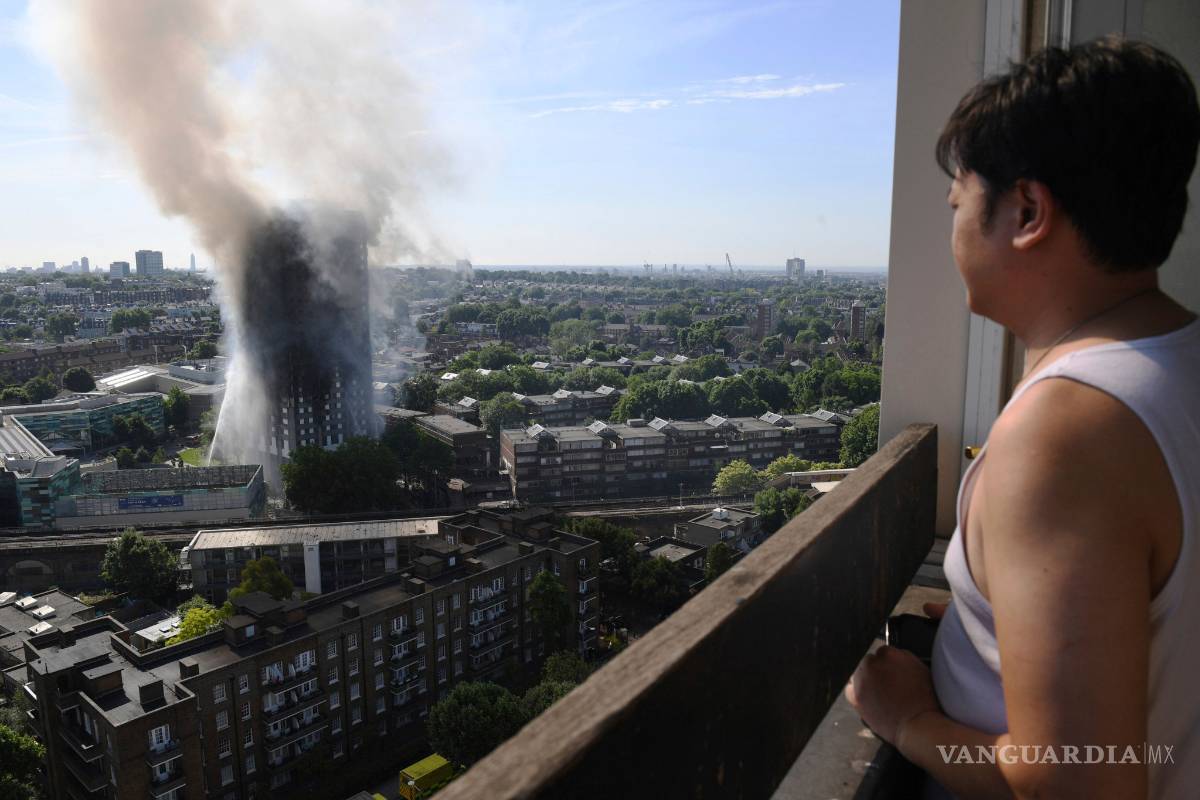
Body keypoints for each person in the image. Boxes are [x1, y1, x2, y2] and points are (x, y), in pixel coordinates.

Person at [845, 37, 1200, 799]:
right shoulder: (1174, 369)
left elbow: (1074, 783)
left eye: (958, 203)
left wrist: (908, 720)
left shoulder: (1069, 432)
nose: (952, 232)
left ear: (1028, 212)